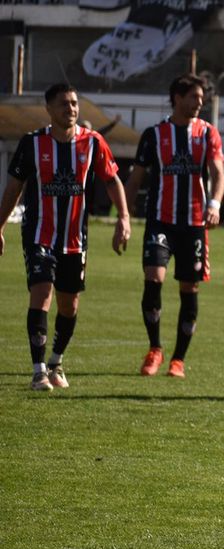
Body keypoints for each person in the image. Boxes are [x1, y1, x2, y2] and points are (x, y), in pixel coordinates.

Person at [0, 82, 132, 390]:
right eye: (63, 104)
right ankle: (38, 370)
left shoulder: (93, 143)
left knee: (69, 305)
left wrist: (123, 218)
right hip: (39, 234)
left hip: (75, 239)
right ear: (48, 109)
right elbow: (13, 190)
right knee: (42, 294)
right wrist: (1, 226)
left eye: (74, 103)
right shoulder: (31, 144)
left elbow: (112, 181)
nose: (70, 109)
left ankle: (57, 361)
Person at [125, 74, 224, 379]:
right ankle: (155, 348)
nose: (199, 103)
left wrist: (215, 204)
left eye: (201, 98)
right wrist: (124, 217)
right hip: (160, 221)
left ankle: (178, 359)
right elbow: (136, 179)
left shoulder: (208, 133)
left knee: (188, 288)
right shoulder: (154, 135)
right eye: (194, 97)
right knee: (153, 278)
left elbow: (218, 173)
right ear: (177, 98)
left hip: (194, 223)